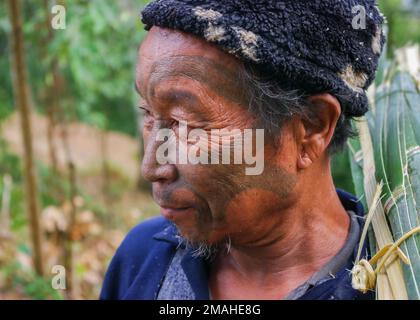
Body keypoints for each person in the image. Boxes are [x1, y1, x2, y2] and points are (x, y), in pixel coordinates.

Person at [100, 0, 385, 300]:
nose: (151, 168)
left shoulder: (394, 283)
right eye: (147, 112)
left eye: (184, 123)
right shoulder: (143, 258)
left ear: (312, 127)